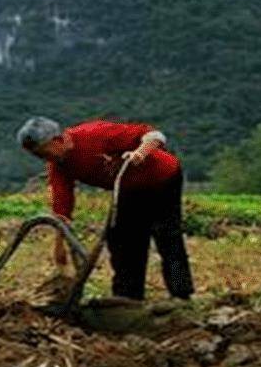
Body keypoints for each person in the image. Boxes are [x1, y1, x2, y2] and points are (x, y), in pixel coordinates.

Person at [15, 116, 194, 300]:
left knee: (166, 235)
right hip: (127, 188)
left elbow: (153, 135)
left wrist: (140, 153)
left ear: (57, 140)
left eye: (44, 153)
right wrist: (59, 246)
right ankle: (128, 298)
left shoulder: (95, 134)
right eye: (39, 156)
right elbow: (62, 207)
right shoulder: (58, 166)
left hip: (162, 179)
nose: (45, 159)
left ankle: (182, 294)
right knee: (122, 240)